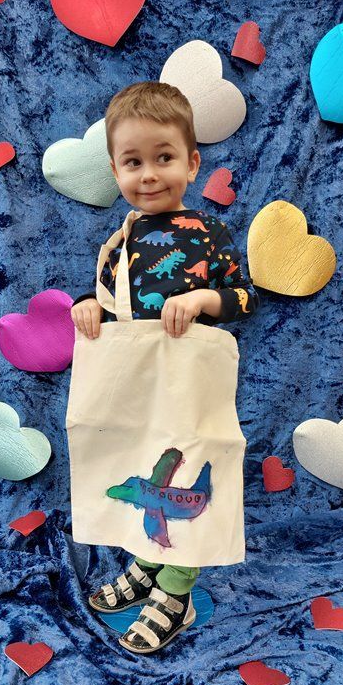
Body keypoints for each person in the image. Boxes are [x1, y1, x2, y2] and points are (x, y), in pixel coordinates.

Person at [70, 80, 260, 654]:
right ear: (114, 170)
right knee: (140, 465)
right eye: (133, 162)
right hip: (136, 389)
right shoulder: (120, 242)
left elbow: (244, 297)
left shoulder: (208, 235)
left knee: (189, 464)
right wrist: (89, 306)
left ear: (192, 163)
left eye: (164, 158)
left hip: (189, 388)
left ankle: (176, 591)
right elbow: (112, 301)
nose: (149, 174)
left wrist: (203, 299)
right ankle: (148, 562)